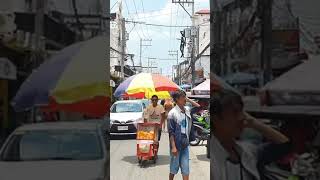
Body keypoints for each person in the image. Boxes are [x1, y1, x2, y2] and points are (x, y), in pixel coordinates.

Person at [211, 90, 291, 180]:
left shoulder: (246, 151)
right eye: (235, 112)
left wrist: (253, 122)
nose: (242, 117)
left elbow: (284, 145)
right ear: (216, 119)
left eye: (242, 112)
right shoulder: (210, 162)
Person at [167, 90, 199, 180]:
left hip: (185, 143)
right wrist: (173, 147)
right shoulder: (172, 114)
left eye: (185, 97)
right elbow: (171, 132)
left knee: (186, 169)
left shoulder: (187, 110)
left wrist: (188, 99)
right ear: (177, 99)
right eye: (183, 97)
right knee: (174, 168)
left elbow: (198, 107)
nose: (185, 99)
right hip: (176, 144)